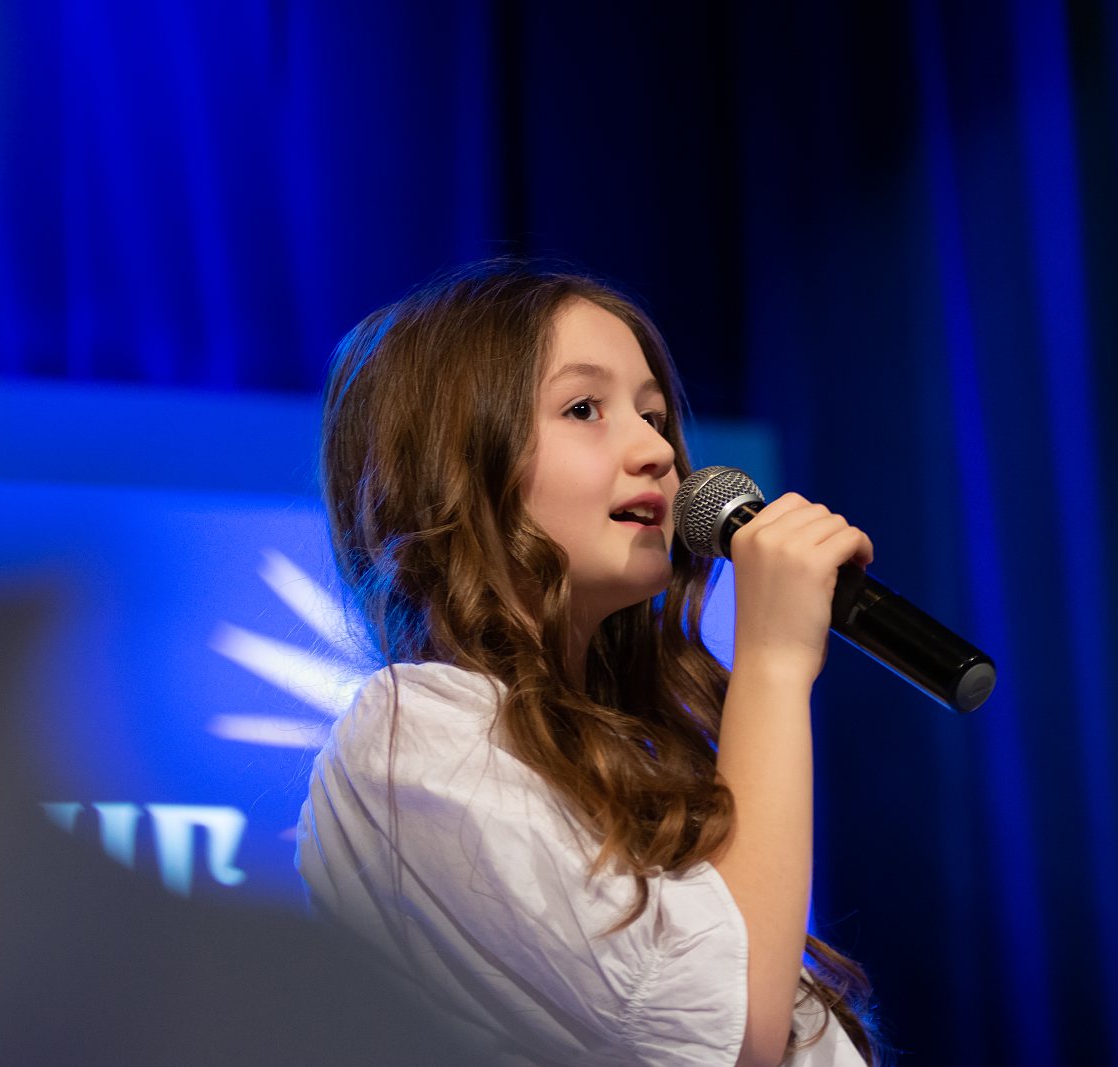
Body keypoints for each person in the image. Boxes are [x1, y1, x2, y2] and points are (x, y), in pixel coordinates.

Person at [295, 261, 882, 1065]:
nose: (657, 450)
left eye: (654, 415)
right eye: (583, 409)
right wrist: (774, 660)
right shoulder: (408, 735)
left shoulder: (635, 764)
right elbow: (733, 1029)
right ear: (451, 464)